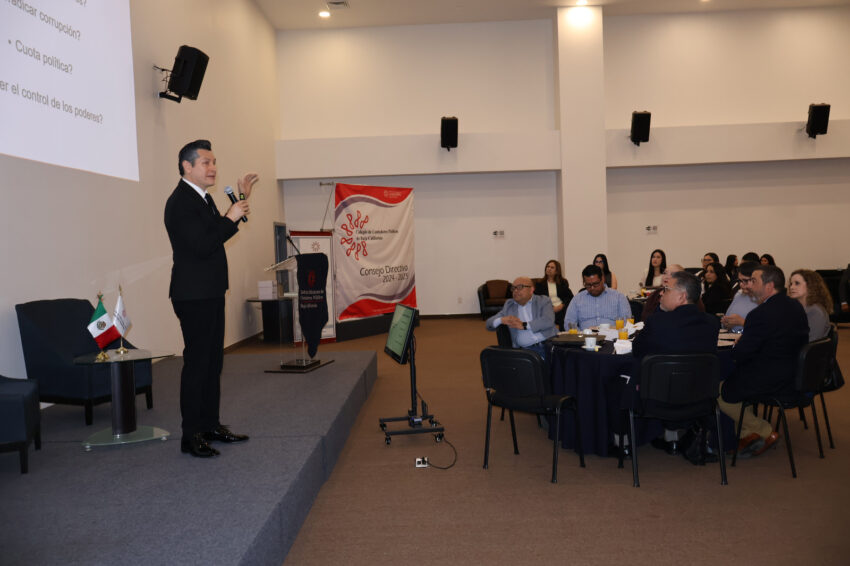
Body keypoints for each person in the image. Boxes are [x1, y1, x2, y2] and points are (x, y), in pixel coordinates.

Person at [164, 139, 258, 458]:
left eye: (214, 161)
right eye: (206, 162)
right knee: (197, 365)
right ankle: (191, 436)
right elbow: (203, 245)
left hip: (210, 292)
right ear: (186, 166)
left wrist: (240, 200)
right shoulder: (180, 202)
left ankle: (210, 426)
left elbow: (218, 231)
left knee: (213, 363)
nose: (213, 167)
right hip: (193, 295)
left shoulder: (202, 199)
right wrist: (231, 216)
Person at [718, 265, 809, 457]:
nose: (749, 285)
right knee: (737, 381)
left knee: (719, 390)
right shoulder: (795, 307)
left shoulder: (760, 314)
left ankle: (763, 431)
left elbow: (740, 354)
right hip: (795, 375)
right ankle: (747, 435)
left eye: (754, 281)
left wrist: (739, 344)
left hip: (770, 380)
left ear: (769, 286)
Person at [486, 276, 557, 361]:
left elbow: (548, 320)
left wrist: (524, 325)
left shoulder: (543, 301)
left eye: (520, 287)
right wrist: (501, 320)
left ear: (531, 289)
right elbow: (489, 324)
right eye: (513, 288)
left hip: (550, 344)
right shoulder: (509, 306)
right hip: (527, 351)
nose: (515, 291)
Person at [564, 265, 632, 330]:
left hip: (613, 336)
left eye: (595, 284)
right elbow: (569, 323)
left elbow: (627, 323)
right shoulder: (577, 299)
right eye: (588, 285)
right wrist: (580, 335)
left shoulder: (618, 297)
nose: (592, 288)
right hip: (585, 336)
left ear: (602, 279)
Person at [788, 269, 833, 341]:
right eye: (791, 284)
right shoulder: (800, 307)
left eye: (797, 283)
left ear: (810, 285)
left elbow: (810, 341)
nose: (791, 287)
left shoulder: (815, 311)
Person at [534, 260, 573, 331]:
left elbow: (569, 297)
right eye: (548, 267)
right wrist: (549, 308)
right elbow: (537, 299)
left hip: (561, 308)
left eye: (552, 267)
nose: (549, 269)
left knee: (565, 316)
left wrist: (561, 306)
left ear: (557, 271)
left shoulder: (562, 282)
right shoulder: (540, 283)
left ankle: (563, 333)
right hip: (547, 309)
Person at [720, 261, 759, 333]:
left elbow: (767, 329)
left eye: (745, 281)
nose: (741, 284)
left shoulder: (764, 299)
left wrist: (742, 322)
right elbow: (727, 318)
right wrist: (726, 323)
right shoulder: (739, 295)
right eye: (740, 281)